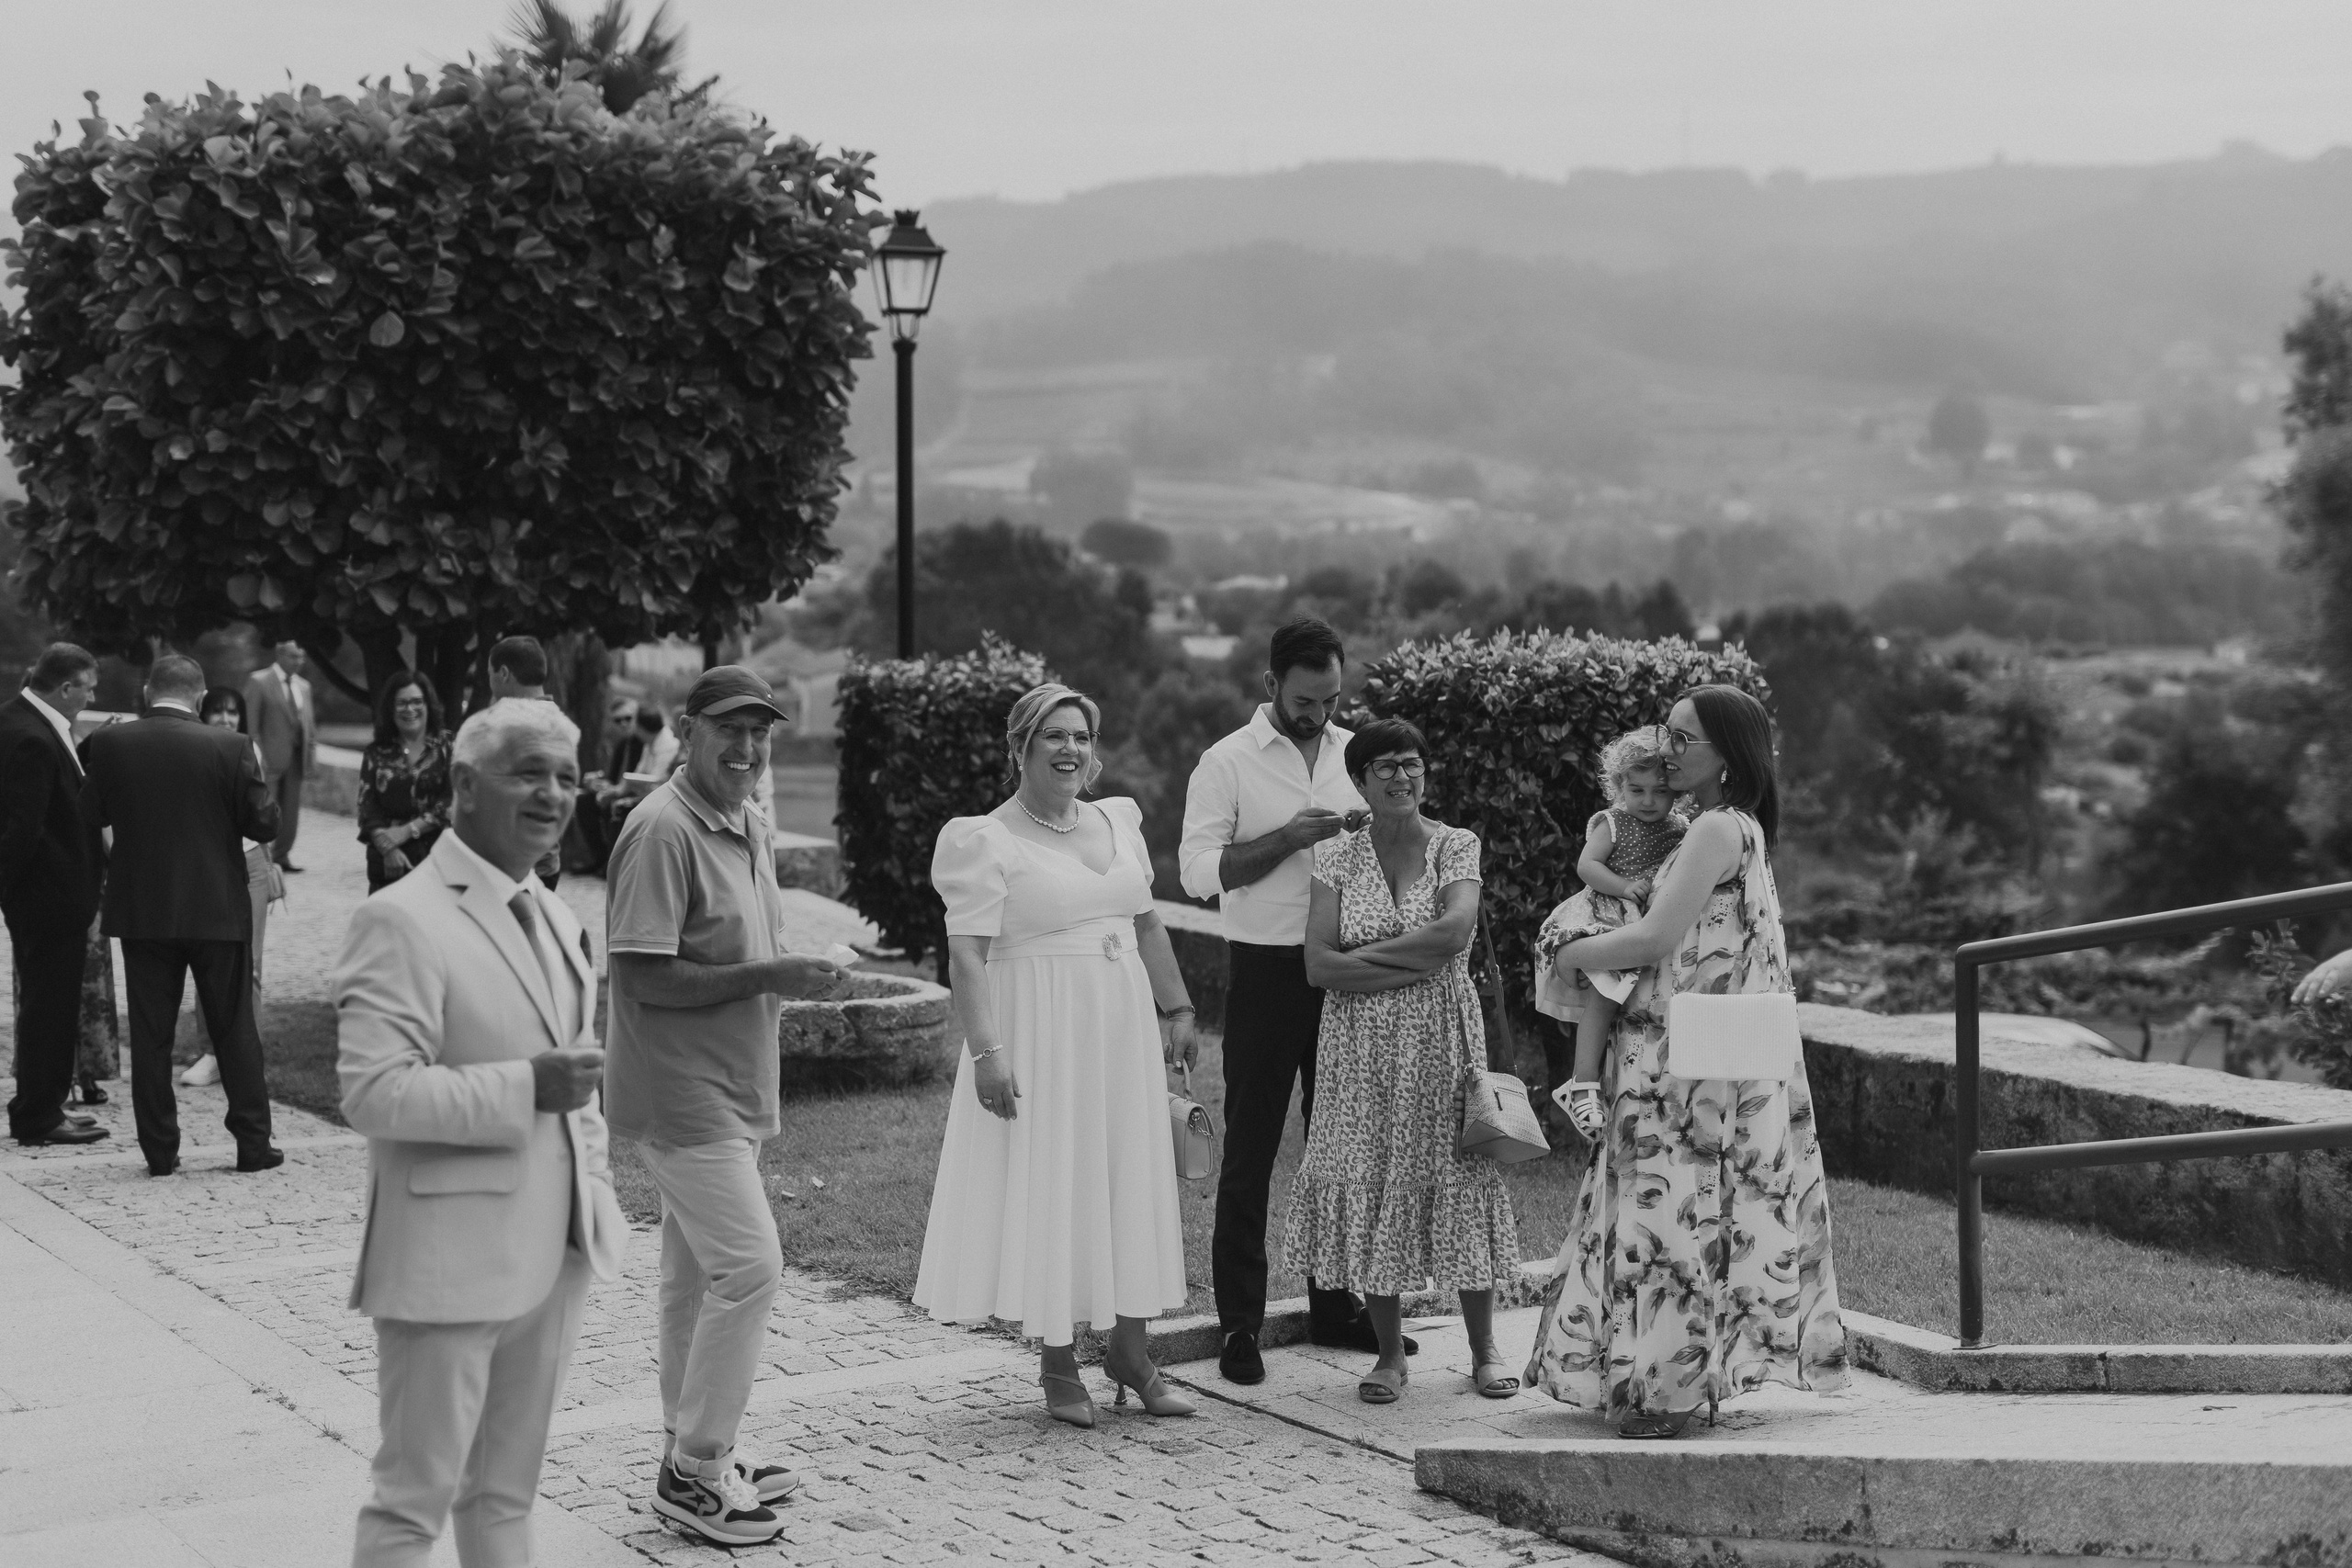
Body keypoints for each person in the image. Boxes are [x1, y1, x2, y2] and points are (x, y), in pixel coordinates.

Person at [334, 697, 629, 1567]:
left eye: (567, 777)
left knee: (505, 1495)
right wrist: (521, 1086)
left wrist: (596, 1200)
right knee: (411, 1503)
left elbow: (581, 1091)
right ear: (463, 783)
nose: (552, 794)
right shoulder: (402, 915)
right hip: (445, 1260)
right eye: (527, 772)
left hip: (558, 1251)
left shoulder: (558, 913)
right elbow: (373, 1094)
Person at [1525, 685, 1848, 1437]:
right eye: (1665, 733)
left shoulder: (1710, 832)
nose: (1667, 749)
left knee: (1669, 1211)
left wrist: (1563, 948)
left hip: (1679, 1063)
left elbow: (1650, 940)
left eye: (1684, 739)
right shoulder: (1727, 828)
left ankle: (1664, 1391)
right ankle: (1664, 1381)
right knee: (1689, 1208)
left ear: (1728, 753)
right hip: (1692, 1053)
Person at [918, 683, 1199, 1428]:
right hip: (1039, 1028)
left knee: (1126, 1173)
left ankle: (1133, 1354)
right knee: (1056, 1179)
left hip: (1120, 1027)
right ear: (1021, 747)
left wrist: (1177, 1007)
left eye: (1080, 734)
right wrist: (988, 1052)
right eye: (1053, 736)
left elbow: (1147, 927)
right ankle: (1058, 1362)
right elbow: (969, 959)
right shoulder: (984, 838)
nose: (1070, 748)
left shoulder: (1119, 820)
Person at [603, 665, 840, 1547]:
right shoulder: (662, 829)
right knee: (751, 1268)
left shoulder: (745, 820)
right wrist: (772, 975)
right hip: (680, 1094)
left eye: (760, 733)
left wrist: (786, 971)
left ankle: (694, 1448)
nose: (746, 749)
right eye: (729, 731)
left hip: (731, 1088)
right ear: (686, 729)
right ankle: (695, 1471)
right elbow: (640, 972)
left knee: (694, 1278)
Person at [1179, 615, 1395, 1386]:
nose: (1321, 713)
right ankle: (1240, 1323)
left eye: (1332, 697)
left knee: (1339, 1147)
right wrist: (1287, 839)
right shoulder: (1225, 763)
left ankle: (1335, 1305)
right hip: (1266, 971)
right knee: (1253, 1149)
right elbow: (1197, 871)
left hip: (1345, 968)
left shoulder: (1354, 754)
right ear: (1271, 685)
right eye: (1307, 699)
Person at [1285, 717, 1521, 1404]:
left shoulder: (1456, 844)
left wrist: (1364, 963)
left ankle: (1484, 1348)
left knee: (1459, 1173)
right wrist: (1407, 963)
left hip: (1442, 1042)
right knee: (1370, 1175)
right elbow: (1317, 964)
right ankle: (1390, 1354)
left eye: (1412, 763)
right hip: (1356, 1051)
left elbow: (1455, 933)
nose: (1401, 776)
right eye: (1384, 766)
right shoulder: (1334, 856)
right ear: (1359, 779)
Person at [82, 654, 283, 1177]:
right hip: (216, 907)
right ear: (198, 696)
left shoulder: (109, 744)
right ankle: (253, 1144)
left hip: (144, 910)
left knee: (151, 1035)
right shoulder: (231, 746)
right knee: (235, 1027)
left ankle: (159, 1152)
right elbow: (263, 825)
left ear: (150, 691)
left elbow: (90, 815)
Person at [1535, 727, 1689, 1139]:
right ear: (1619, 786)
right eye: (1636, 790)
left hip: (1648, 925)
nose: (1648, 801)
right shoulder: (1614, 821)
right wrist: (1624, 887)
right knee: (1603, 998)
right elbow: (1587, 866)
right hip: (1608, 914)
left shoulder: (1682, 828)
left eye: (1659, 791)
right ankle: (1581, 1084)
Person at [2, 643, 110, 1146]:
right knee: (49, 1008)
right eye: (88, 687)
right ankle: (39, 1116)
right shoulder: (32, 738)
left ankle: (39, 1105)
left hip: (46, 897)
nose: (92, 696)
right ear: (65, 687)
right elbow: (22, 829)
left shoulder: (23, 720)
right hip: (49, 899)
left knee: (48, 1004)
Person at [177, 686, 288, 1089]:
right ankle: (211, 1051)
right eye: (217, 712)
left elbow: (262, 813)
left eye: (233, 713)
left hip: (251, 861)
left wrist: (270, 864)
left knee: (250, 964)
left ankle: (244, 1055)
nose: (226, 719)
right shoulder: (191, 751)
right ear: (201, 716)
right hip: (209, 863)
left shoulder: (249, 752)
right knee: (209, 959)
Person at [356, 672, 453, 893]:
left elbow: (453, 800)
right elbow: (367, 809)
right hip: (389, 864)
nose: (410, 709)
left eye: (417, 701)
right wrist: (388, 850)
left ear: (429, 704)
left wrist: (409, 831)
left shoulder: (448, 747)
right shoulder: (376, 753)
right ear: (391, 709)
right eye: (402, 703)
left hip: (438, 858)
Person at [487, 637, 562, 889]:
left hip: (518, 866)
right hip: (546, 859)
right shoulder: (559, 722)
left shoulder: (514, 726)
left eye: (491, 674)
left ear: (504, 673)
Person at [243, 639, 315, 873]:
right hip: (268, 761)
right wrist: (258, 757)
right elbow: (250, 725)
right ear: (280, 655)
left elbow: (309, 727)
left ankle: (282, 855)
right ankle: (262, 857)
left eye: (302, 657)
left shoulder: (304, 686)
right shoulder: (259, 681)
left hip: (296, 759)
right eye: (294, 657)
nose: (299, 662)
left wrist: (309, 759)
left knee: (291, 811)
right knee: (265, 810)